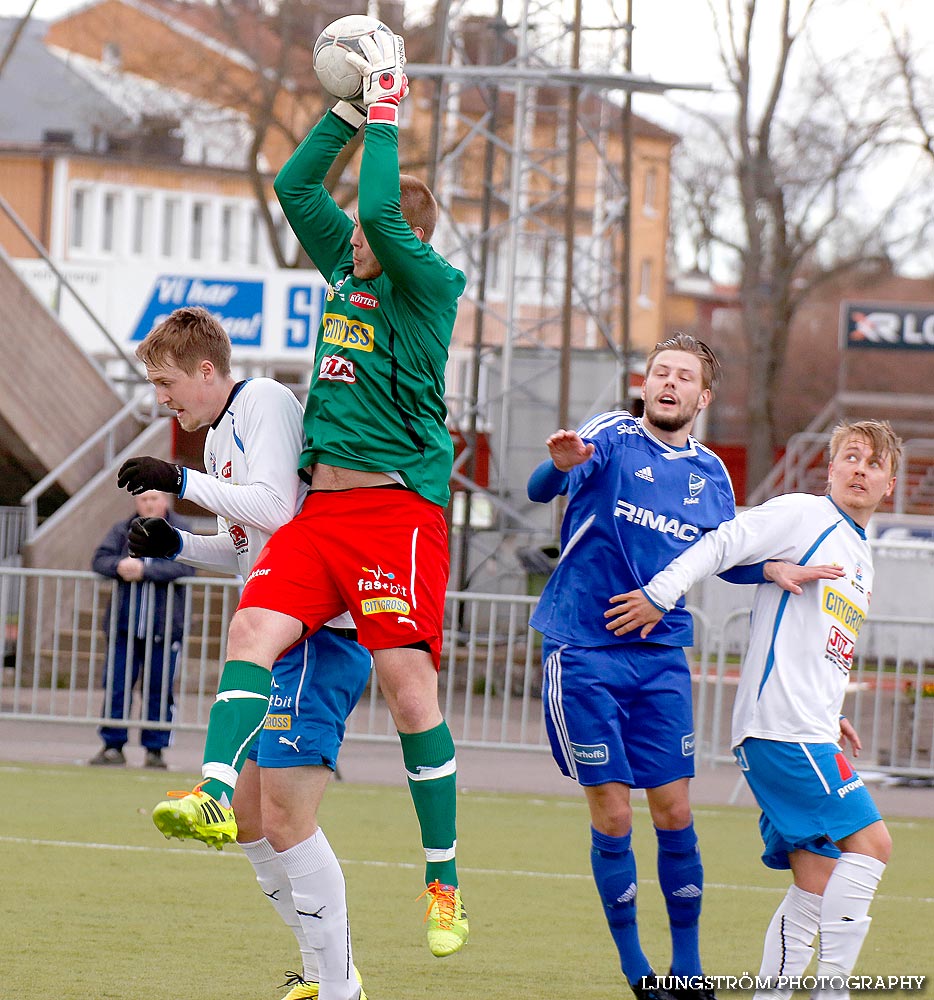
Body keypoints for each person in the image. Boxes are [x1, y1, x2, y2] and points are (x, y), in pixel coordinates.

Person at [142, 29, 469, 960]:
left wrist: (390, 102)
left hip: (396, 512)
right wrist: (342, 112)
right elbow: (296, 189)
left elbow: (376, 201)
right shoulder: (347, 270)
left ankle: (443, 877)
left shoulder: (426, 283)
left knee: (411, 688)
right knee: (253, 625)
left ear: (400, 238)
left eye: (366, 232)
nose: (351, 235)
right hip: (324, 513)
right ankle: (211, 786)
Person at [119, 306, 373, 1000]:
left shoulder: (261, 399)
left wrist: (178, 483)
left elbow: (279, 511)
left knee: (289, 820)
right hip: (278, 631)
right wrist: (177, 545)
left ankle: (340, 985)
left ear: (208, 370)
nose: (162, 398)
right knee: (255, 826)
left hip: (320, 631)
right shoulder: (215, 437)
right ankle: (326, 974)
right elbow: (245, 549)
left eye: (168, 382)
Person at [604, 419, 902, 1000]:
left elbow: (821, 644)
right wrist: (658, 596)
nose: (860, 469)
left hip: (808, 726)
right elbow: (719, 544)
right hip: (783, 732)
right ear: (832, 466)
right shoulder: (804, 515)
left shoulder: (861, 556)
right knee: (874, 845)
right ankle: (833, 992)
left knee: (815, 883)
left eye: (874, 463)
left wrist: (831, 707)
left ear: (890, 483)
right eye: (851, 457)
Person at [526, 333, 777, 1000]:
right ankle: (639, 970)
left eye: (683, 376)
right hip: (583, 650)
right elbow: (539, 485)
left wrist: (776, 566)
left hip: (661, 659)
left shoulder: (713, 475)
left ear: (703, 396)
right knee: (613, 814)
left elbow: (727, 554)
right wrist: (559, 466)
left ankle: (689, 969)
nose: (668, 382)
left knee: (673, 809)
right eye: (660, 371)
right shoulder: (610, 434)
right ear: (645, 384)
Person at [88, 490, 188, 769]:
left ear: (165, 501)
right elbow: (99, 560)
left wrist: (146, 571)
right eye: (144, 499)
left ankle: (155, 749)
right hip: (124, 627)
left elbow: (188, 567)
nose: (149, 504)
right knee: (117, 685)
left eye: (154, 498)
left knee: (159, 688)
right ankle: (112, 745)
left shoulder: (180, 531)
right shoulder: (122, 529)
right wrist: (120, 566)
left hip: (164, 628)